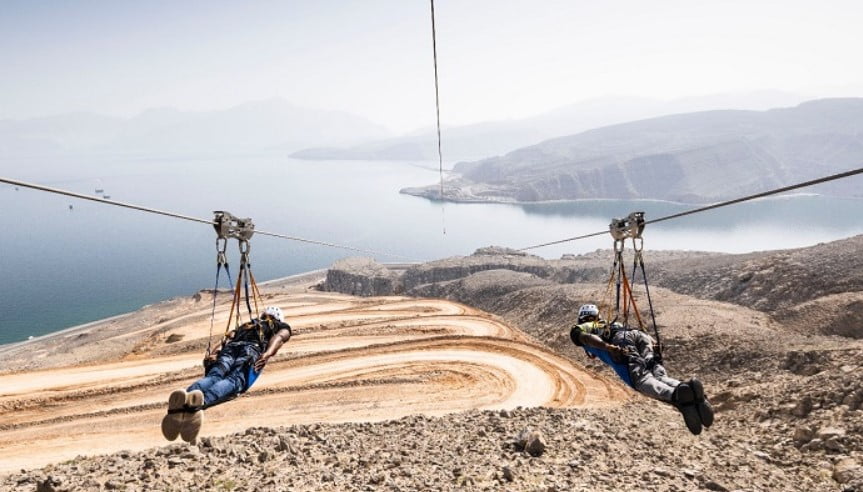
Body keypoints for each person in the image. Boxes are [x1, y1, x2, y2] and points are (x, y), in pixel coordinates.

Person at [569, 304, 714, 435]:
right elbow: (638, 334)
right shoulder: (613, 323)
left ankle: (675, 394)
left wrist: (609, 347)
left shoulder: (585, 326)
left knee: (641, 380)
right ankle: (686, 388)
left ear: (582, 318)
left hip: (621, 341)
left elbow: (585, 337)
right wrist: (654, 344)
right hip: (640, 336)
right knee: (658, 375)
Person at [161, 306, 292, 442]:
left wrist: (213, 354)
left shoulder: (247, 325)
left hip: (229, 350)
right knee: (234, 380)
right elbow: (279, 338)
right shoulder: (280, 326)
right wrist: (267, 353)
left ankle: (187, 395)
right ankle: (201, 401)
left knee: (213, 376)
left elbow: (226, 340)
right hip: (250, 350)